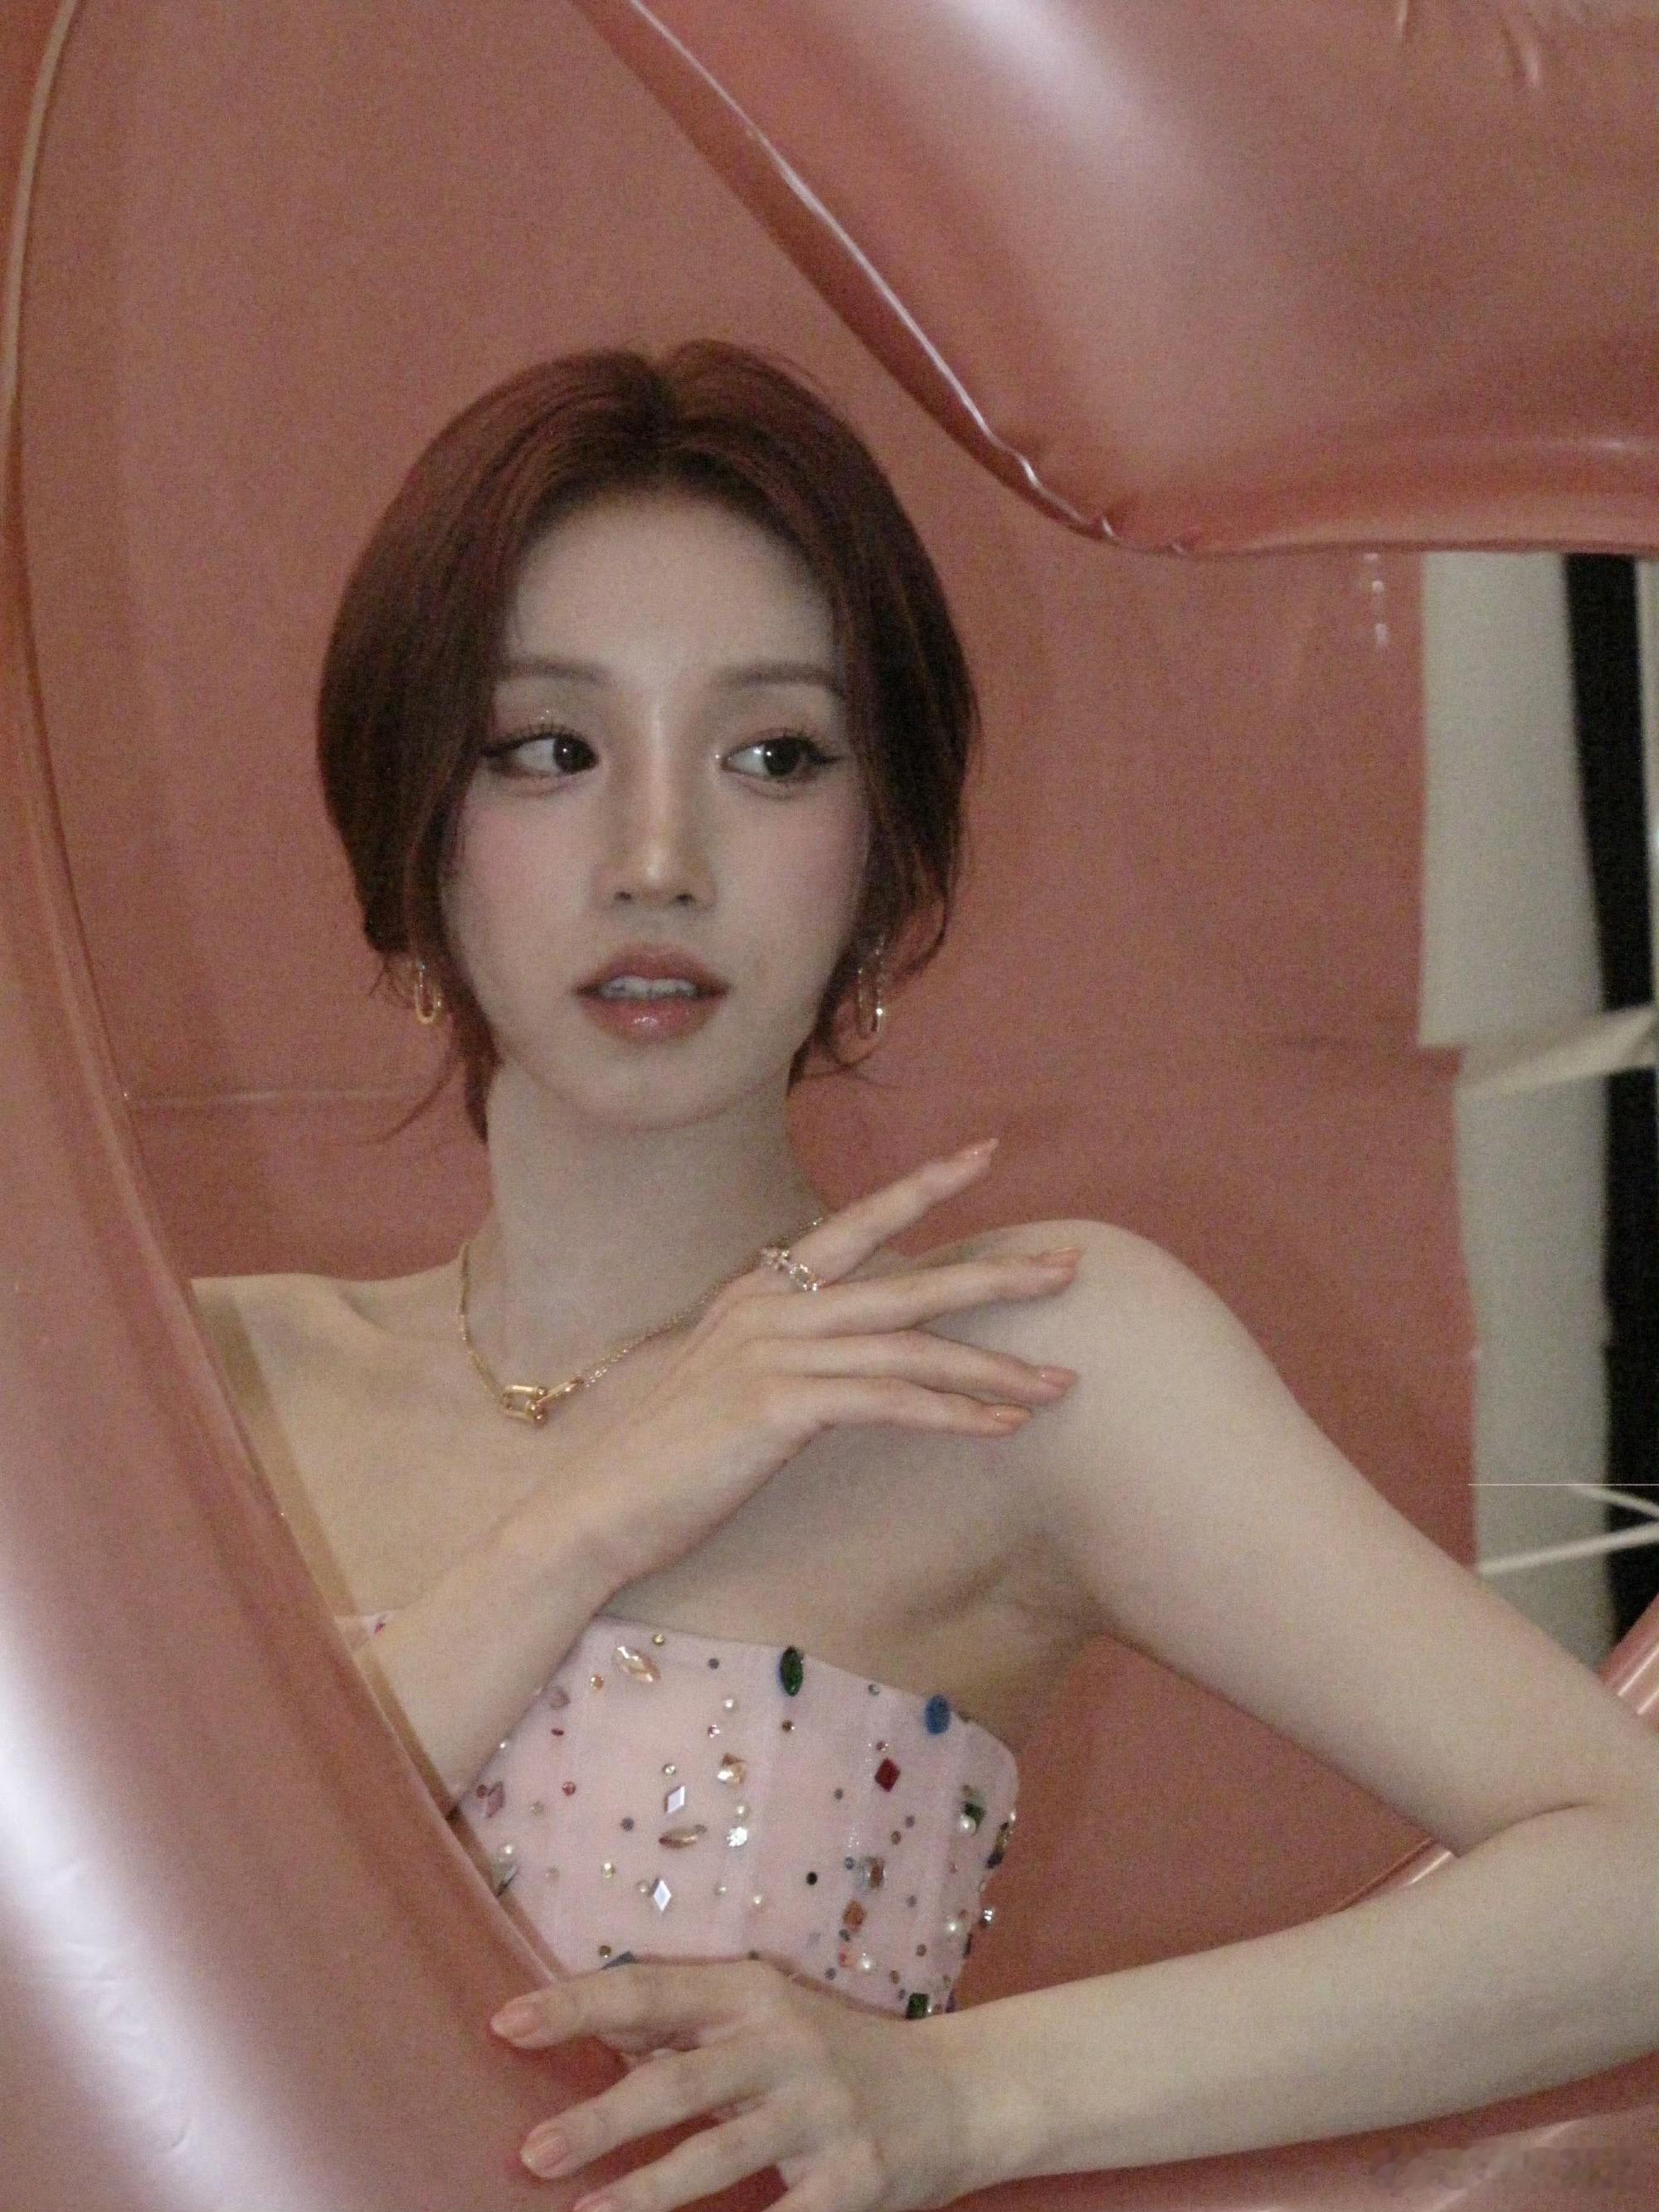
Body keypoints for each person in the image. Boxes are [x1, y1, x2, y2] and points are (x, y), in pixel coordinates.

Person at [192, 342, 1659, 2211]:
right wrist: (585, 1526)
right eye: (548, 749)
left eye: (773, 756)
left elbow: (1633, 1877)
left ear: (883, 856)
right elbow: (109, 1979)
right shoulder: (193, 1389)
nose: (658, 860)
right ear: (410, 830)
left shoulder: (1019, 1363)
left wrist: (967, 2096)